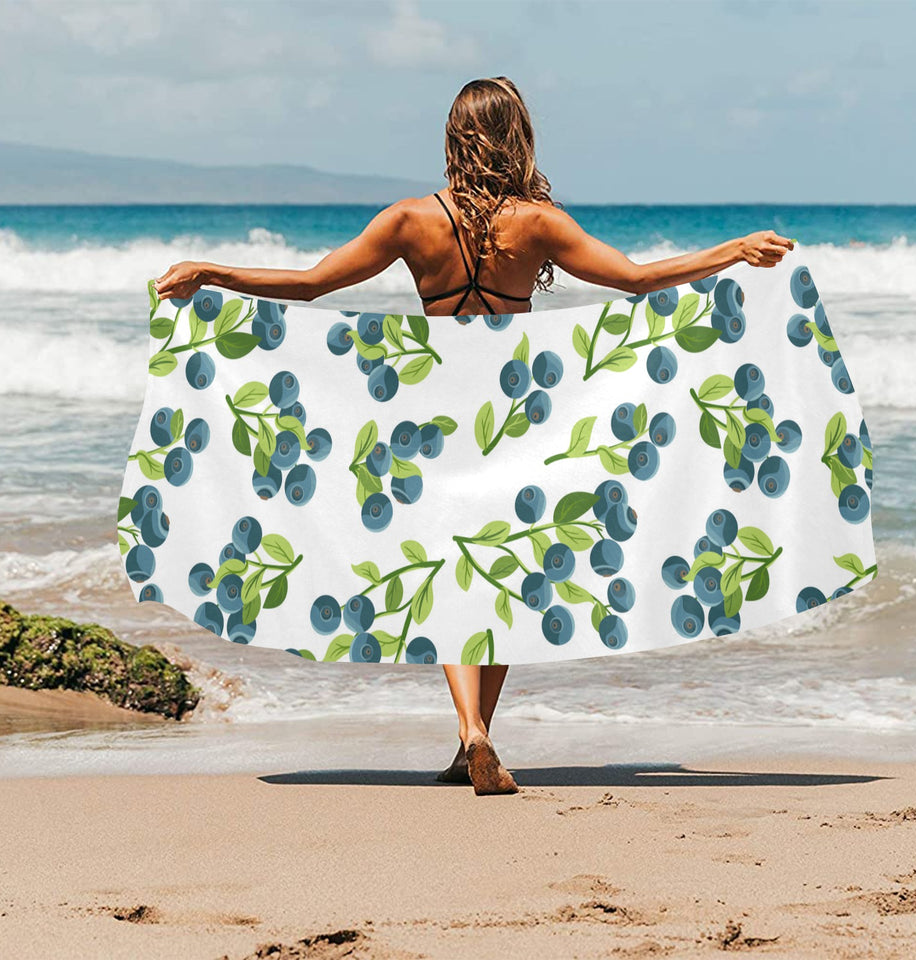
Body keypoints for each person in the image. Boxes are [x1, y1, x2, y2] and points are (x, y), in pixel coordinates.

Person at [155, 76, 794, 796]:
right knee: (503, 571)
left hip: (431, 411)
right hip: (516, 412)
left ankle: (471, 737)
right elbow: (639, 281)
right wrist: (733, 250)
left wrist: (212, 271)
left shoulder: (407, 220)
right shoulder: (539, 223)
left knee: (446, 565)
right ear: (517, 135)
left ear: (455, 136)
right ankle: (478, 735)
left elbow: (310, 286)